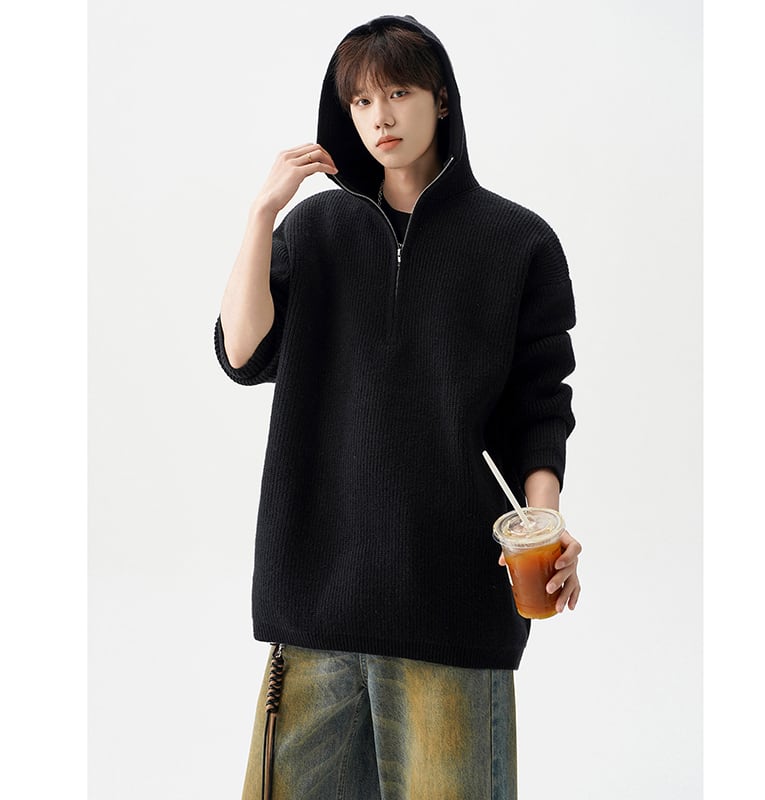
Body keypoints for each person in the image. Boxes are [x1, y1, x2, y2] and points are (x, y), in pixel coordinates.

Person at [214, 13, 582, 800]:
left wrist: (544, 525)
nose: (380, 116)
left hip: (453, 604)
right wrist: (261, 215)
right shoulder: (313, 229)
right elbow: (242, 353)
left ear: (440, 100)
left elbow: (540, 410)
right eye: (361, 101)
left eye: (400, 93)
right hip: (315, 606)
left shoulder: (518, 243)